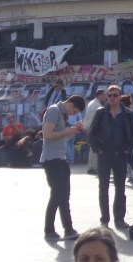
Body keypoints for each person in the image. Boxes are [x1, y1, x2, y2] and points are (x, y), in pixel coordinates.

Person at [87, 85, 133, 229]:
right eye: (109, 96)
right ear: (106, 97)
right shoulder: (101, 113)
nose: (112, 98)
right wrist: (98, 150)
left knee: (120, 188)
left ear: (120, 96)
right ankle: (104, 219)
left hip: (121, 155)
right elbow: (92, 133)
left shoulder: (127, 113)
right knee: (103, 188)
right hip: (105, 154)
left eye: (115, 95)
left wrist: (128, 149)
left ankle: (119, 219)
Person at [41, 94, 86, 241]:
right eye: (74, 112)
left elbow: (61, 137)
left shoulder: (61, 113)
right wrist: (66, 132)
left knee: (64, 195)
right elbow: (47, 134)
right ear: (70, 105)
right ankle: (49, 230)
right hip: (52, 159)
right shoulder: (54, 111)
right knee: (57, 195)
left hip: (60, 158)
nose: (72, 114)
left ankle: (68, 229)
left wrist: (72, 131)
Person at [118, 95, 133, 182]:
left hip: (125, 139)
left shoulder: (125, 113)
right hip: (128, 139)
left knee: (128, 158)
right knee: (130, 158)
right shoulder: (129, 112)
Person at [84, 89, 106, 175]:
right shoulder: (96, 106)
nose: (105, 97)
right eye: (104, 95)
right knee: (94, 149)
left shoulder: (92, 103)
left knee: (93, 149)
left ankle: (93, 167)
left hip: (90, 128)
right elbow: (95, 120)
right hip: (94, 129)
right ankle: (92, 167)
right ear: (100, 95)